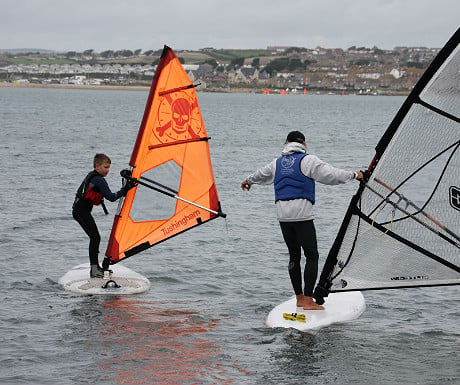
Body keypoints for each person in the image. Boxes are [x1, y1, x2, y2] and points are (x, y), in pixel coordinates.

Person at [241, 131, 363, 310]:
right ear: (304, 144)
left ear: (286, 143)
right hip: (302, 216)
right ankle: (308, 300)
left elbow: (260, 174)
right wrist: (355, 175)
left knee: (294, 256)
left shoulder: (277, 163)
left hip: (283, 216)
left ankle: (299, 298)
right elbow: (332, 175)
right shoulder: (309, 160)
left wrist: (248, 181)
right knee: (312, 256)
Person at [72, 153, 136, 278]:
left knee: (95, 237)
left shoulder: (96, 177)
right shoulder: (98, 180)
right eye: (105, 167)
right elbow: (111, 197)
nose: (107, 170)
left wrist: (125, 187)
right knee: (95, 237)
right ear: (97, 166)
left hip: (82, 211)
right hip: (80, 212)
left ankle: (96, 268)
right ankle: (94, 270)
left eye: (109, 168)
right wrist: (125, 189)